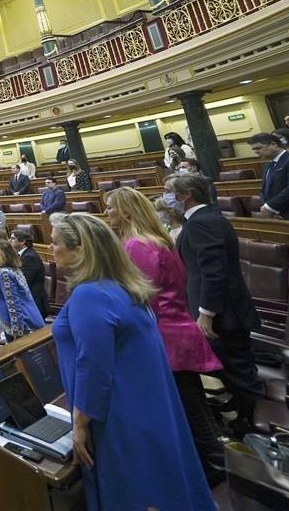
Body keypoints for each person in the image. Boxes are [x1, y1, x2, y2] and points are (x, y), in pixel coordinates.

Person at [48, 213, 215, 511]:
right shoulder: (120, 285)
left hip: (118, 416)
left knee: (135, 494)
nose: (51, 249)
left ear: (80, 250)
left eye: (56, 243)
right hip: (144, 407)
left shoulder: (90, 294)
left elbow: (93, 365)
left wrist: (80, 422)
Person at [106, 186, 226, 482]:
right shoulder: (158, 240)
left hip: (166, 338)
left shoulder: (137, 246)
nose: (107, 213)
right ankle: (219, 468)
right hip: (178, 332)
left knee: (190, 413)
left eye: (111, 208)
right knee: (195, 408)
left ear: (127, 211)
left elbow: (139, 296)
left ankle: (217, 475)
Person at [166, 172, 264, 435]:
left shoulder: (201, 223)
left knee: (240, 374)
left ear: (185, 195)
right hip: (225, 313)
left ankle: (260, 430)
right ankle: (245, 415)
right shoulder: (206, 218)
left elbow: (214, 271)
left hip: (223, 316)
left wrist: (206, 313)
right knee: (236, 371)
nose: (167, 198)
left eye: (169, 191)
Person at [0, 239, 45, 339]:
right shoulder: (12, 269)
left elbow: (13, 303)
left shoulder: (5, 274)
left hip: (21, 326)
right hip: (19, 323)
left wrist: (17, 333)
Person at [249, 131, 289, 220]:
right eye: (254, 150)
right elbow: (264, 190)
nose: (256, 152)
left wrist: (270, 206)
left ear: (274, 144)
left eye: (258, 148)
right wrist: (266, 206)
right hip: (276, 214)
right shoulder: (268, 165)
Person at [9, 229, 49, 319]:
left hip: (34, 302)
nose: (10, 241)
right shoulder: (24, 255)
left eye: (12, 238)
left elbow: (24, 282)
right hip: (29, 301)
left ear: (22, 241)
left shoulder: (29, 257)